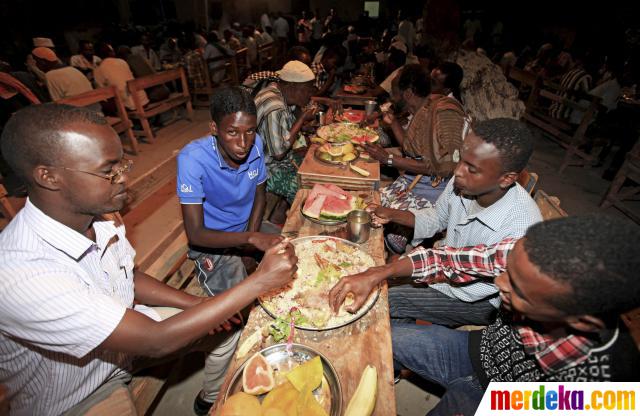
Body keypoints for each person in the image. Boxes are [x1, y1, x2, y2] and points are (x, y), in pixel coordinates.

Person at [0, 103, 297, 416]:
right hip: (78, 395)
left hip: (125, 346)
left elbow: (128, 277)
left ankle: (209, 401)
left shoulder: (103, 217)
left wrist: (192, 304)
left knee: (227, 330)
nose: (123, 180)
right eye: (107, 171)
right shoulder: (22, 273)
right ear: (48, 176)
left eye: (121, 166)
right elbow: (156, 341)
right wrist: (260, 281)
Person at [332, 215, 640, 415]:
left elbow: (512, 406)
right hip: (472, 350)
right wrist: (379, 272)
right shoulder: (531, 259)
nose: (499, 283)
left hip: (503, 400)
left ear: (581, 321)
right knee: (378, 339)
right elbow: (448, 260)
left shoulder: (606, 388)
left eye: (518, 289)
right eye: (508, 271)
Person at [343, 118, 542, 325]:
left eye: (471, 168)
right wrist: (392, 214)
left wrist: (404, 272)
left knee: (384, 300)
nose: (457, 171)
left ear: (506, 179)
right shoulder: (465, 184)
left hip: (473, 298)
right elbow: (437, 218)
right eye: (461, 160)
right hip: (440, 267)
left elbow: (459, 272)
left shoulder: (520, 229)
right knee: (372, 280)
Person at [178, 87, 283, 298]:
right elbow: (196, 234)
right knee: (240, 302)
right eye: (232, 132)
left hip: (247, 229)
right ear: (214, 128)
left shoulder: (256, 145)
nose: (243, 144)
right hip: (212, 242)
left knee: (292, 253)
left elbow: (259, 195)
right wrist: (250, 240)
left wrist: (248, 243)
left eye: (250, 131)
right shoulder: (192, 159)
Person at [367, 64, 468, 211]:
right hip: (415, 182)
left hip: (435, 192)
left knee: (380, 216)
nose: (392, 99)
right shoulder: (424, 108)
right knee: (371, 202)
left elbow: (443, 168)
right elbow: (410, 149)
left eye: (394, 94)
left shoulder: (443, 113)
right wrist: (394, 123)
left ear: (407, 94)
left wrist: (388, 159)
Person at [253, 61, 317, 219]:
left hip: (276, 160)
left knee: (314, 165)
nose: (310, 94)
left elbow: (283, 130)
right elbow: (279, 153)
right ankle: (298, 225)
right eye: (307, 89)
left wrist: (301, 125)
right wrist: (302, 119)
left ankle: (281, 213)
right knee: (309, 191)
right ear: (292, 86)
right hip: (265, 171)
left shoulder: (275, 91)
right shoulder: (275, 107)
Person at [94, 43, 149, 111]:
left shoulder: (98, 70)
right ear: (111, 52)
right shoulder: (122, 61)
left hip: (130, 106)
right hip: (144, 100)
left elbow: (102, 92)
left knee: (103, 101)